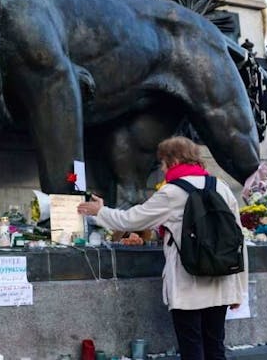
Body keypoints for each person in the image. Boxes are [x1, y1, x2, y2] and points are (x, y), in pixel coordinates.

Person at [77, 136, 248, 360]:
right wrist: (239, 289)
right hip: (221, 281)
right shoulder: (221, 188)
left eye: (163, 163)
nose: (162, 168)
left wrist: (100, 211)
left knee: (192, 348)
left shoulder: (172, 192)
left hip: (189, 283)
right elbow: (238, 240)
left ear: (174, 160)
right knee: (215, 346)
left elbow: (131, 220)